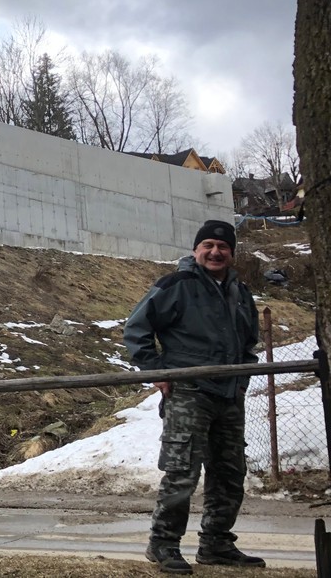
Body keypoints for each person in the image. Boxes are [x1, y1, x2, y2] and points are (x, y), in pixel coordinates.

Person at [125, 219, 263, 574]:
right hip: (189, 392)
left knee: (230, 473)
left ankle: (216, 544)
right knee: (182, 471)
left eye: (223, 247)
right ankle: (163, 545)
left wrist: (243, 377)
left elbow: (249, 342)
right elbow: (137, 329)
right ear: (196, 250)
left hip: (229, 394)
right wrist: (158, 372)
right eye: (208, 246)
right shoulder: (177, 285)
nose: (215, 252)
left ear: (231, 253)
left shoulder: (240, 292)